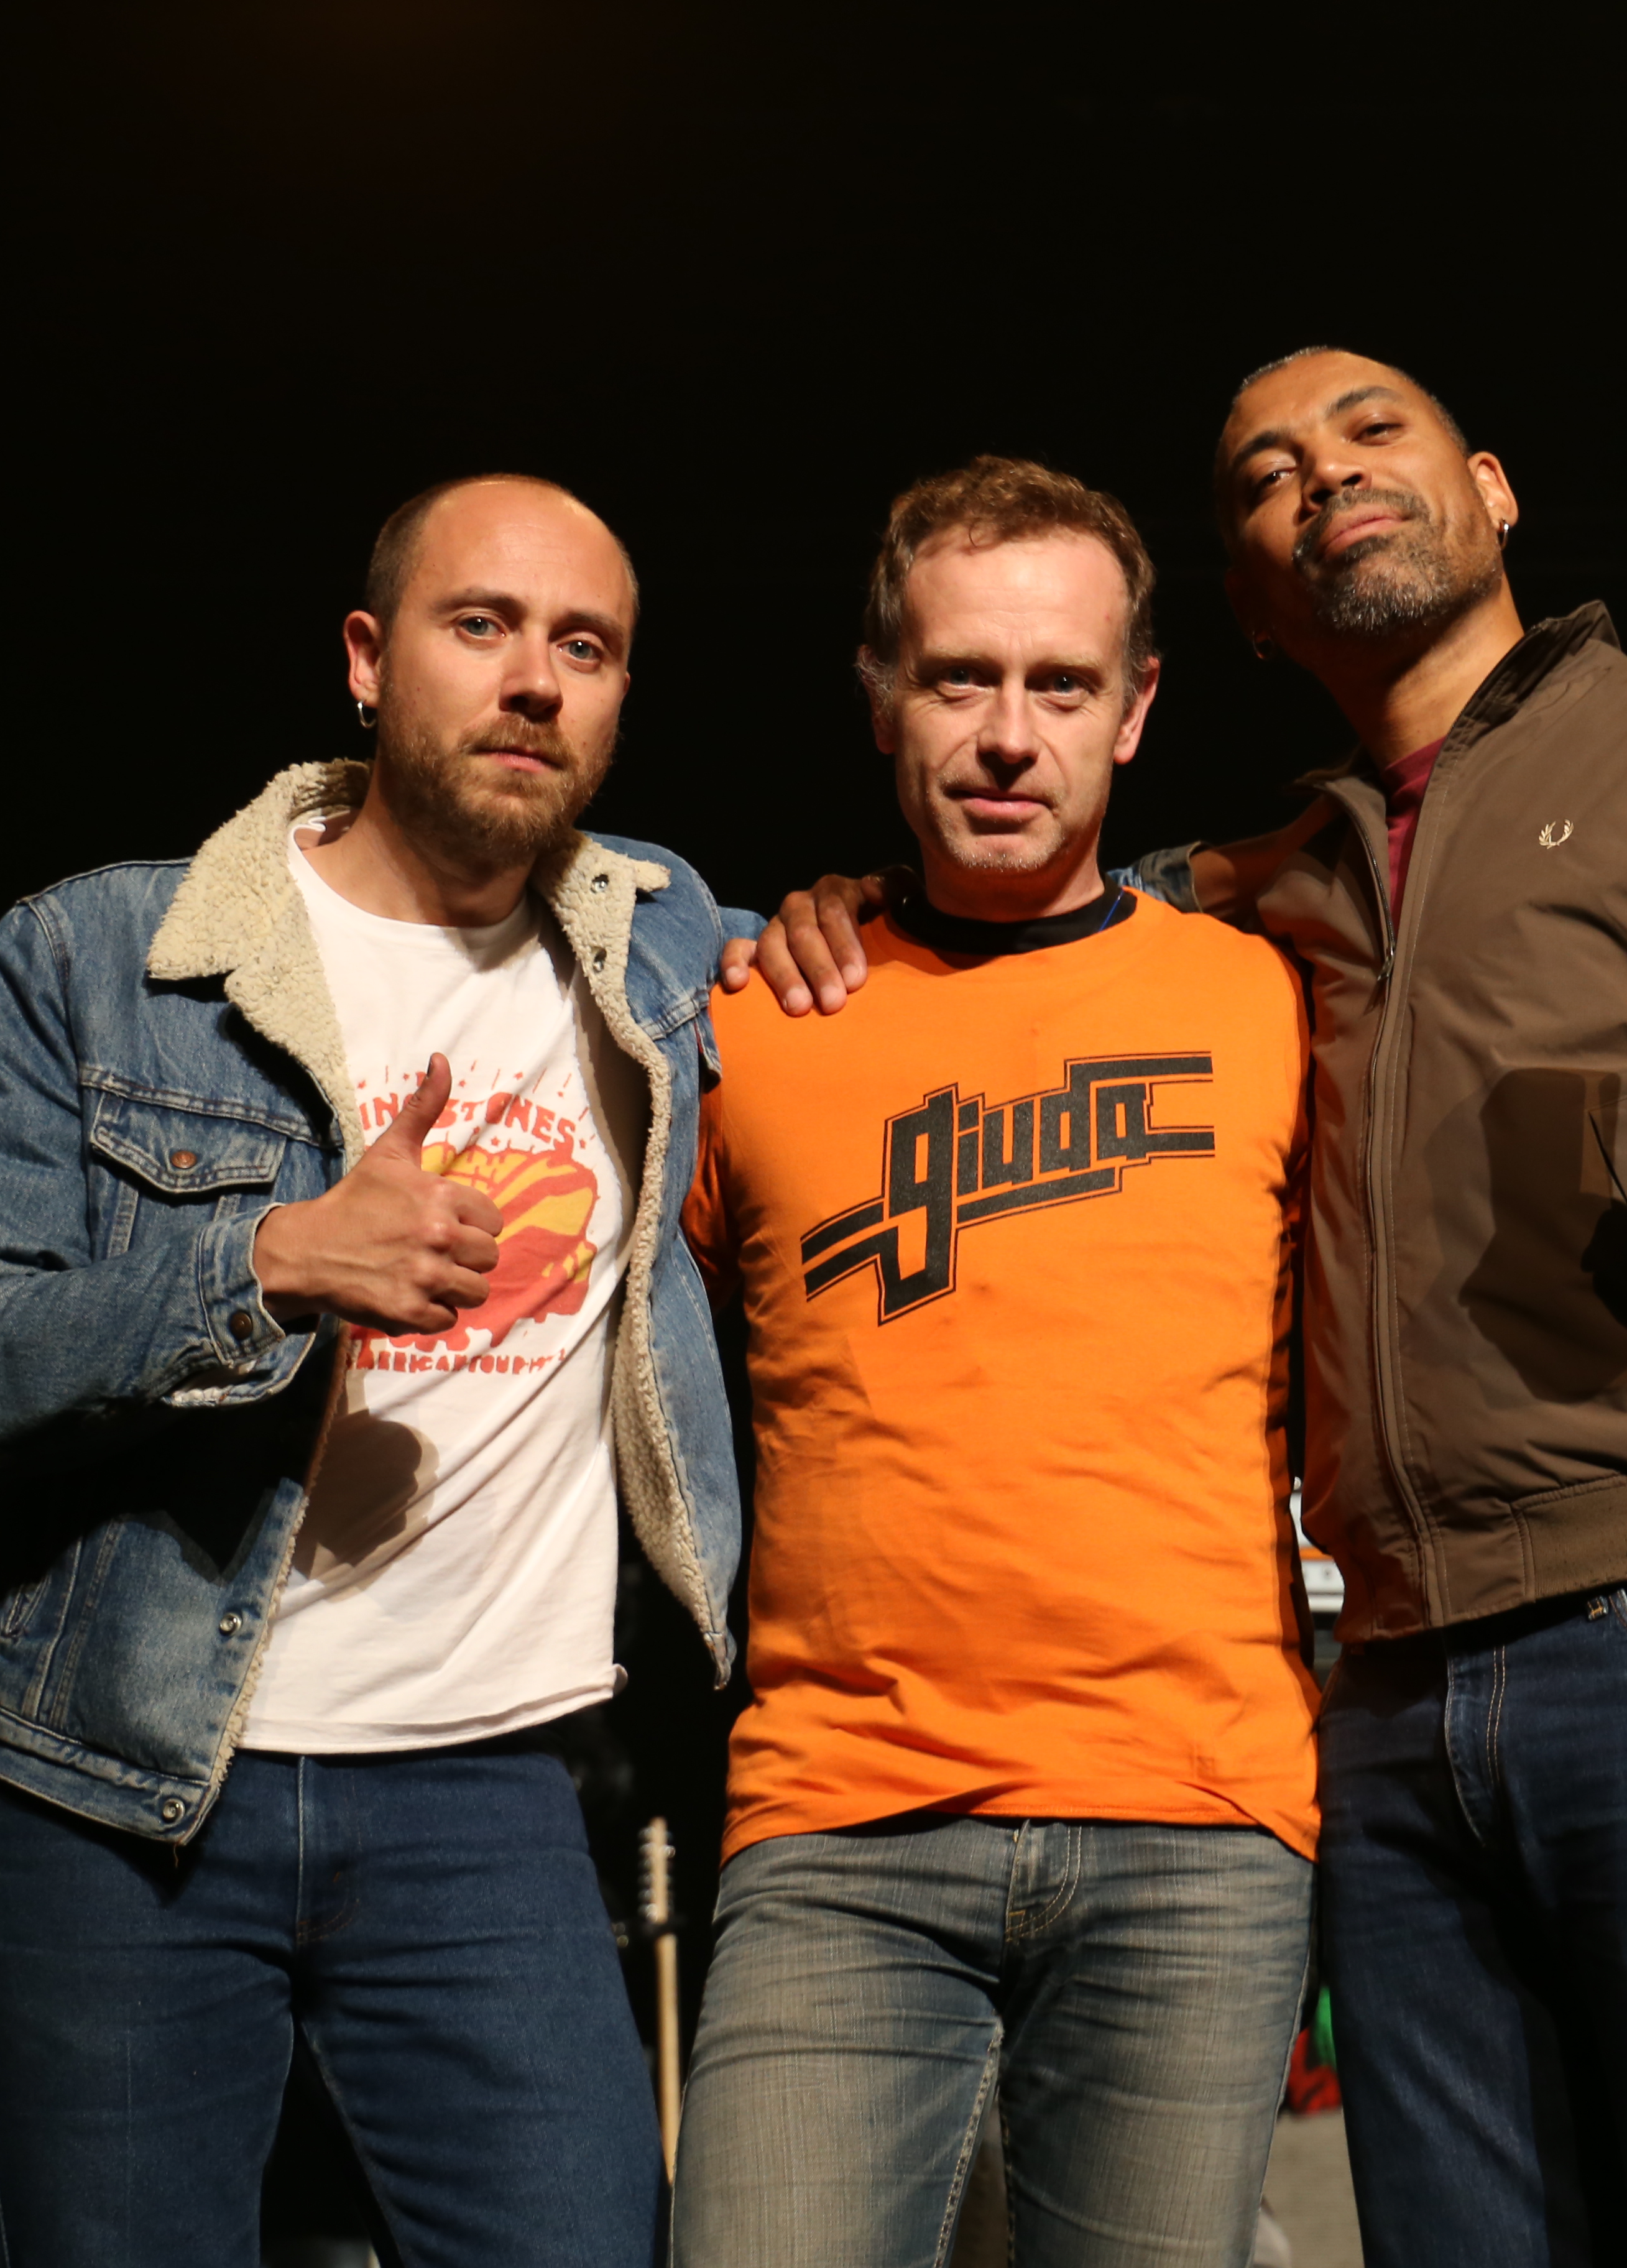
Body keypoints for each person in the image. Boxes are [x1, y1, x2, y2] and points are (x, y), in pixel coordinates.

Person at [732, 351, 1627, 2265]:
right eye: (1267, 474)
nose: (1326, 473)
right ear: (1247, 605)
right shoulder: (1258, 886)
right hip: (1384, 1704)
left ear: (1495, 488)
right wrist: (850, 910)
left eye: (1372, 430)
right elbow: (1014, 905)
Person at [0, 474, 741, 2268]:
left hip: (487, 1793)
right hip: (120, 1791)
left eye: (585, 647)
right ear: (367, 659)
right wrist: (268, 1262)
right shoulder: (101, 961)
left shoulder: (668, 956)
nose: (534, 680)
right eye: (480, 625)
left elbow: (942, 943)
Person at [661, 454, 1321, 2267]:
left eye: (1060, 684)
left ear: (1137, 709)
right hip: (837, 1828)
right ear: (883, 694)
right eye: (961, 678)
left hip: (1193, 1820)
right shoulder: (751, 1018)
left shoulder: (1268, 1003)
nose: (1010, 735)